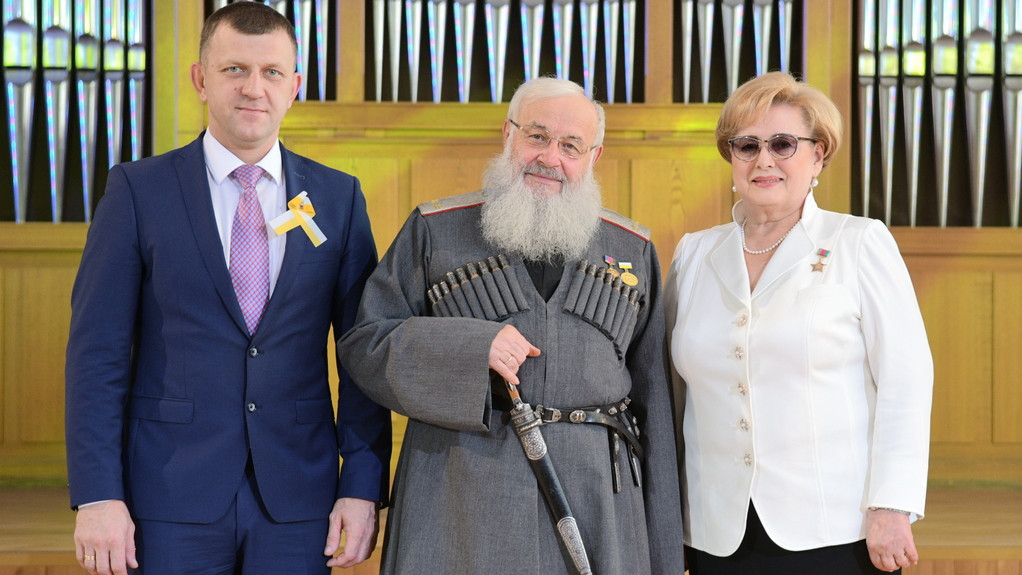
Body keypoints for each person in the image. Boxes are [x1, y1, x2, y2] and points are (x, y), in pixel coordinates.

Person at [64, 3, 391, 574]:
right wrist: (97, 495)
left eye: (271, 73)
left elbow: (363, 354)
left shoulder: (339, 199)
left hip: (300, 497)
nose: (253, 88)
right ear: (200, 79)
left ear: (294, 87)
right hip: (167, 494)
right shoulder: (138, 191)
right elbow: (98, 354)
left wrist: (362, 485)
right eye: (234, 69)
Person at [337, 77, 684, 574]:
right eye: (536, 136)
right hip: (459, 500)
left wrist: (665, 554)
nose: (550, 158)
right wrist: (472, 346)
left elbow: (655, 408)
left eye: (571, 146)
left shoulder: (632, 249)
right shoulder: (435, 230)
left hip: (600, 504)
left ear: (594, 156)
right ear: (508, 134)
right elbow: (366, 345)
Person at [664, 71, 933, 575]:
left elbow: (906, 380)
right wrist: (668, 516)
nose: (763, 160)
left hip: (835, 526)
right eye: (747, 146)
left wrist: (892, 504)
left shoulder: (859, 242)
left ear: (818, 155)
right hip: (714, 529)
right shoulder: (694, 253)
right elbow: (673, 396)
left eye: (783, 144)